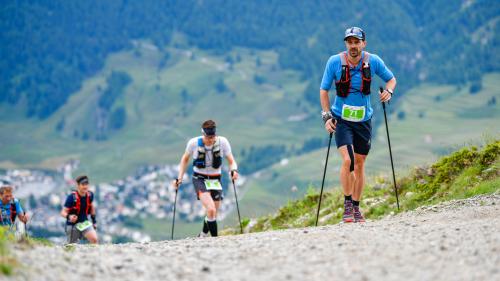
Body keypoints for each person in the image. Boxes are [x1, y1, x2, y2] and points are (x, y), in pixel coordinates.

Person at [319, 27, 397, 223]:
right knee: (348, 161)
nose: (353, 46)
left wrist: (389, 91)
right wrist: (327, 117)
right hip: (342, 120)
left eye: (357, 42)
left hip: (363, 121)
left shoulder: (373, 61)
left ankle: (356, 207)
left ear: (364, 43)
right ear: (346, 44)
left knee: (360, 165)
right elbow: (323, 90)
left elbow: (391, 79)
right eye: (349, 42)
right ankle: (346, 204)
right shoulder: (335, 62)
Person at [173, 120, 239, 237]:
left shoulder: (223, 142)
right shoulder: (193, 143)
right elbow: (185, 159)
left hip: (215, 179)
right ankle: (215, 240)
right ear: (203, 134)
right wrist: (179, 178)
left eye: (213, 137)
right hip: (199, 179)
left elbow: (232, 161)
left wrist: (234, 170)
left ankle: (202, 235)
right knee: (211, 209)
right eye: (208, 137)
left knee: (212, 214)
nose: (211, 140)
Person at [60, 175, 98, 244]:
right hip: (72, 225)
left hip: (84, 223)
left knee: (94, 239)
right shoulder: (71, 197)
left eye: (86, 184)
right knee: (71, 246)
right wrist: (69, 217)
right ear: (77, 185)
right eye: (83, 184)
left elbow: (91, 208)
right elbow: (63, 212)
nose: (85, 187)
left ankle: (92, 254)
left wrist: (94, 221)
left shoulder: (90, 195)